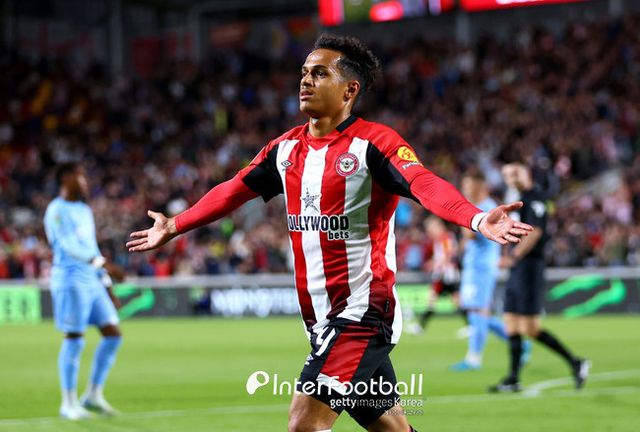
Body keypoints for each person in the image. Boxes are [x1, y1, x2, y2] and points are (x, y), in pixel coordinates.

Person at [128, 34, 532, 432]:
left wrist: (476, 219)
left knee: (304, 422)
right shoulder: (284, 149)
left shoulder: (375, 143)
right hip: (320, 319)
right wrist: (175, 225)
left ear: (349, 90)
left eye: (320, 73)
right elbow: (234, 190)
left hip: (363, 314)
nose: (306, 80)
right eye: (305, 72)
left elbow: (424, 184)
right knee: (390, 427)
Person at [489, 162, 589, 393]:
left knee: (530, 327)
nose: (512, 177)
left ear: (527, 174)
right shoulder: (520, 200)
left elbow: (535, 233)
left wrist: (513, 257)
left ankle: (576, 362)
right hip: (518, 267)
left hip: (530, 267)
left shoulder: (536, 199)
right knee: (510, 322)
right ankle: (513, 379)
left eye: (516, 173)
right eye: (508, 175)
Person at [44, 162, 124, 419]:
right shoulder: (56, 210)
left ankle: (92, 395)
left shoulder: (84, 210)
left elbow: (92, 248)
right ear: (65, 178)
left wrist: (108, 286)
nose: (85, 181)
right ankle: (68, 403)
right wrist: (102, 264)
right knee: (74, 338)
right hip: (70, 279)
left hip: (92, 279)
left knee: (113, 334)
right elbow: (67, 246)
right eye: (80, 176)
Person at [450, 169, 531, 371]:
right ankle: (519, 343)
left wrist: (462, 210)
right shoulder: (479, 207)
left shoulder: (485, 208)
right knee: (476, 311)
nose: (465, 189)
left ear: (479, 186)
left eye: (468, 185)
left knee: (478, 310)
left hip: (481, 267)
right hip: (474, 266)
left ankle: (474, 358)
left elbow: (469, 235)